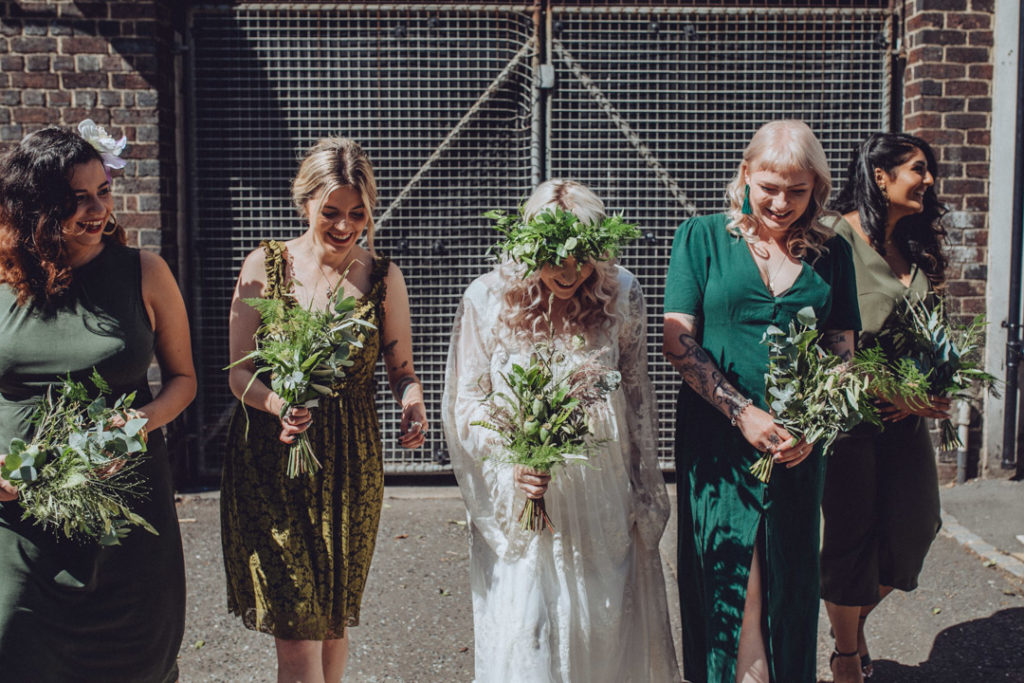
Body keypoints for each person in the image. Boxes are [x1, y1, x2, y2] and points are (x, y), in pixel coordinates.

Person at [443, 180, 679, 682]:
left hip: (601, 491)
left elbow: (636, 396)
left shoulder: (624, 294)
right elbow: (467, 401)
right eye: (553, 257)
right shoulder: (486, 299)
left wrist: (643, 489)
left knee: (601, 622)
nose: (569, 271)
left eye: (583, 255)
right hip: (523, 492)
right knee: (530, 628)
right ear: (529, 245)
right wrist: (512, 455)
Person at [220, 137, 428, 683]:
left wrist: (412, 401)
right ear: (305, 202)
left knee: (332, 620)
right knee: (297, 632)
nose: (344, 226)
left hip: (350, 467)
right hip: (273, 460)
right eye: (331, 211)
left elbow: (400, 369)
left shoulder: (382, 277)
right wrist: (276, 402)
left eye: (357, 214)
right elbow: (239, 373)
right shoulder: (265, 266)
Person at [663, 120, 861, 683]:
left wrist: (815, 425)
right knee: (730, 576)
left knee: (787, 579)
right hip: (718, 439)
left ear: (815, 189)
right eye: (770, 186)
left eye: (797, 191)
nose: (781, 202)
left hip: (798, 446)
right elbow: (678, 339)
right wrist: (740, 411)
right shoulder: (701, 237)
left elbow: (841, 345)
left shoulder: (832, 252)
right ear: (746, 174)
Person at [0, 125, 196, 680]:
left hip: (127, 517)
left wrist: (140, 421)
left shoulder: (145, 272)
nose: (96, 210)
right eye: (75, 197)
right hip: (20, 516)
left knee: (134, 662)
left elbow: (183, 379)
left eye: (102, 192)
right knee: (16, 647)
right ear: (33, 205)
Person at [820, 133, 950, 683]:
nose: (928, 180)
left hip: (904, 419)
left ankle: (845, 621)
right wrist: (894, 392)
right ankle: (847, 653)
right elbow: (823, 338)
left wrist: (939, 380)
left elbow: (925, 330)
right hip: (850, 416)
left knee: (916, 526)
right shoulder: (834, 238)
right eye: (918, 169)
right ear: (880, 176)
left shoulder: (913, 245)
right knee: (850, 537)